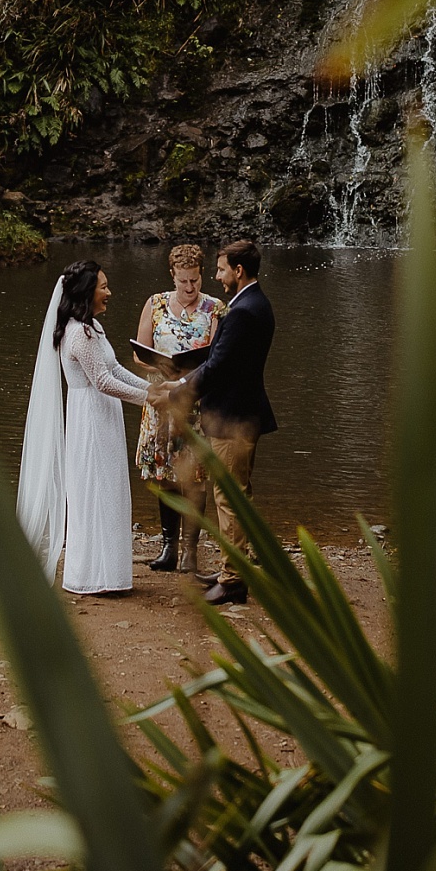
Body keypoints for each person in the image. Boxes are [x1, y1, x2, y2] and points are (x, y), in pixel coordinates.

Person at [15, 258, 148, 595]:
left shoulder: (94, 329)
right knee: (94, 491)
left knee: (110, 490)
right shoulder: (79, 335)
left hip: (104, 415)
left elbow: (115, 369)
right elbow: (102, 382)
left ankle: (111, 572)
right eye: (103, 287)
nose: (109, 292)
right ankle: (91, 574)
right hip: (89, 418)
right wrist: (149, 401)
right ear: (87, 293)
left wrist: (153, 388)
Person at [181, 239, 274, 604]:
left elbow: (219, 367)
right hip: (243, 413)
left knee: (229, 499)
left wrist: (180, 389)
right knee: (237, 496)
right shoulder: (254, 303)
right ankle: (230, 568)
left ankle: (234, 580)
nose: (216, 276)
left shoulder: (242, 311)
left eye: (221, 270)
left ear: (238, 271)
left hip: (232, 419)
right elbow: (223, 356)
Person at [134, 244, 223, 573]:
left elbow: (217, 360)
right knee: (163, 474)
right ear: (172, 275)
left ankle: (189, 550)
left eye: (195, 281)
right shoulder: (155, 304)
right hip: (161, 404)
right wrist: (161, 367)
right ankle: (168, 546)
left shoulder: (215, 309)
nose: (189, 288)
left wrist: (188, 375)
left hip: (195, 403)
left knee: (195, 477)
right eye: (183, 281)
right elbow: (139, 354)